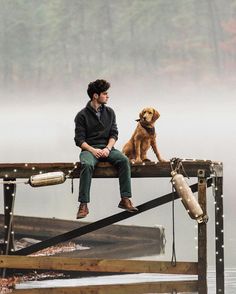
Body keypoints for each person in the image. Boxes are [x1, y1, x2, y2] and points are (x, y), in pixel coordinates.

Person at [74, 79, 138, 219]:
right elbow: (79, 140)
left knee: (123, 160)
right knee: (87, 165)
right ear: (95, 96)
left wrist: (108, 149)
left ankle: (125, 199)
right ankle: (83, 204)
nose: (107, 96)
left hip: (108, 148)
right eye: (105, 93)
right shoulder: (81, 115)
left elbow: (114, 134)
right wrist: (93, 150)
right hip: (89, 149)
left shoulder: (110, 112)